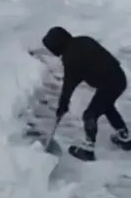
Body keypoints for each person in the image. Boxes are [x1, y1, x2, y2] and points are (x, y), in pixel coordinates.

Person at [42, 26, 131, 161]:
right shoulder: (83, 40)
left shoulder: (70, 57)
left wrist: (62, 106)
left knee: (90, 114)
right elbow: (82, 70)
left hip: (109, 84)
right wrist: (64, 104)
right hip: (119, 77)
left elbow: (69, 84)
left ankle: (88, 149)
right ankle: (124, 137)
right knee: (106, 106)